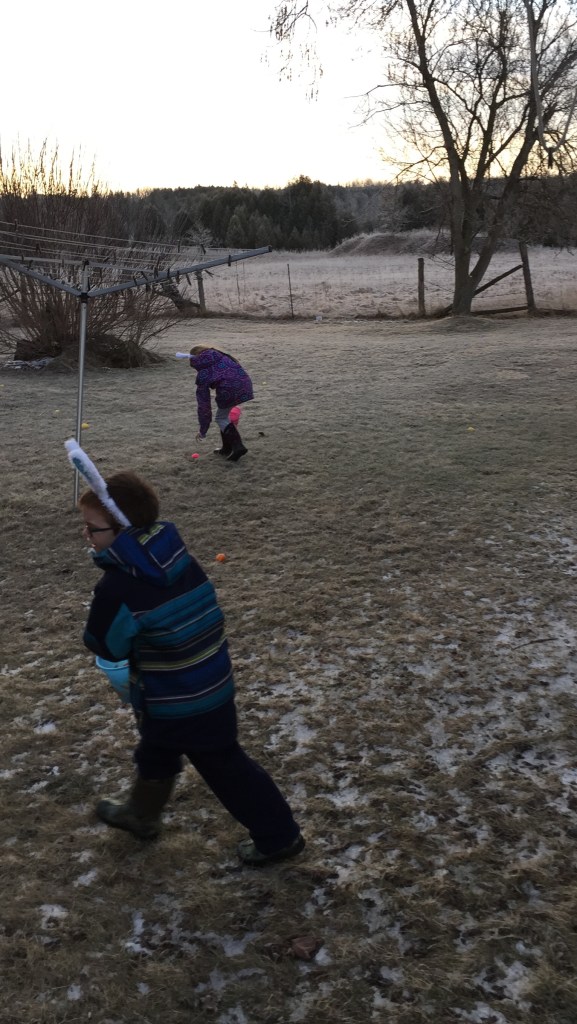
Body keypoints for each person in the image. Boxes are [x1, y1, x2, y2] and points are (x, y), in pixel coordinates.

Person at [77, 468, 305, 866]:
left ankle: (279, 837)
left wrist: (110, 616)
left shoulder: (119, 587)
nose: (86, 535)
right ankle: (141, 814)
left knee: (224, 764)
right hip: (207, 675)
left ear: (121, 530)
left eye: (92, 529)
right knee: (156, 747)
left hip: (182, 697)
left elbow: (105, 645)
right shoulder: (177, 557)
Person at [189, 345, 253, 461]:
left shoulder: (203, 373)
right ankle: (226, 448)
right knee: (224, 418)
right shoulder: (221, 355)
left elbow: (204, 406)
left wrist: (203, 430)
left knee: (221, 418)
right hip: (245, 384)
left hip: (228, 390)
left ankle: (238, 447)